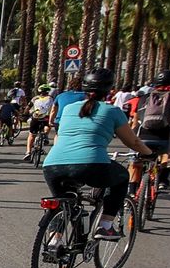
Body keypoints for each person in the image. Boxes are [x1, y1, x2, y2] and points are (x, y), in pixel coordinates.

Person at [42, 68, 153, 240]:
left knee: (61, 204)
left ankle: (53, 241)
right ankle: (105, 225)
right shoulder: (112, 111)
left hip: (52, 165)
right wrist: (149, 154)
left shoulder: (69, 108)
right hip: (92, 164)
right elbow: (133, 142)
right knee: (122, 177)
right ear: (109, 90)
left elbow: (59, 136)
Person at [130, 70, 170, 192]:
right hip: (166, 138)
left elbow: (135, 121)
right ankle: (163, 179)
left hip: (141, 137)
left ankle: (131, 190)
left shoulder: (144, 97)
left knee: (135, 161)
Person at [24, 85, 54, 159]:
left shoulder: (35, 98)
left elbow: (28, 108)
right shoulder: (51, 98)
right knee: (49, 124)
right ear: (47, 91)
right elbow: (54, 109)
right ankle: (45, 135)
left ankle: (28, 152)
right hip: (46, 118)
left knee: (31, 135)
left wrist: (25, 114)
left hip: (36, 118)